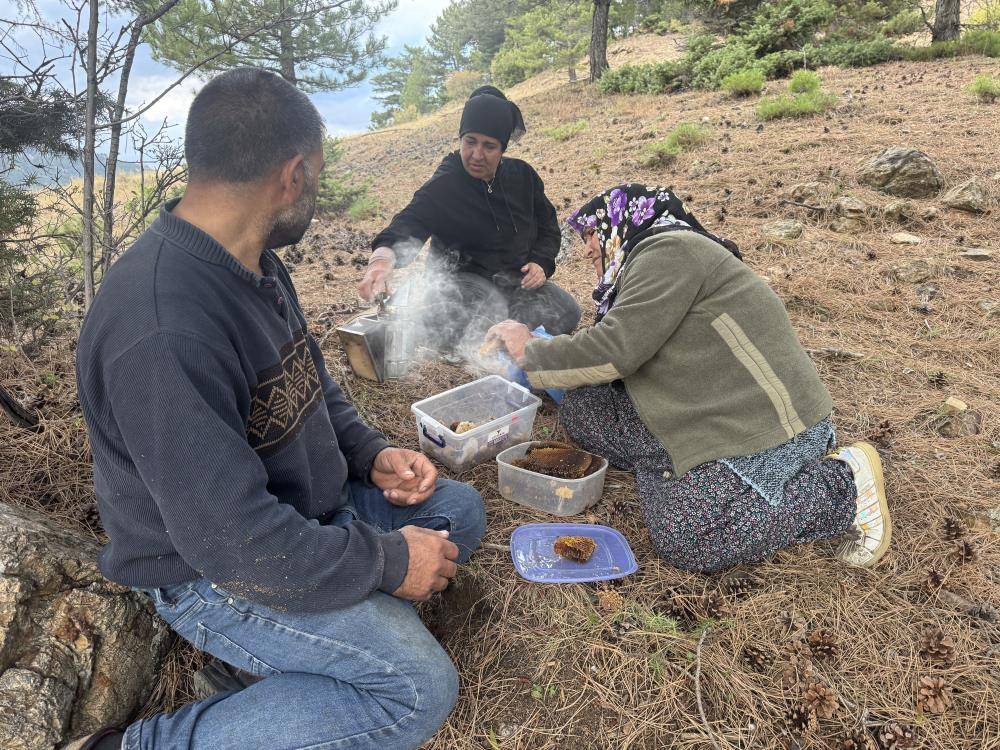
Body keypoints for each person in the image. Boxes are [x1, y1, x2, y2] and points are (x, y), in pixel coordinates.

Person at [68, 69, 486, 750]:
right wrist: (383, 563)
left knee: (458, 514)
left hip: (305, 514)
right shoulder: (162, 328)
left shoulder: (253, 256)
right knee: (419, 689)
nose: (313, 196)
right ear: (292, 175)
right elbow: (233, 542)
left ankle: (278, 664)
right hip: (216, 572)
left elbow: (312, 384)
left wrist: (372, 453)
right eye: (315, 180)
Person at [487, 184, 891, 573]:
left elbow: (617, 349)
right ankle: (673, 466)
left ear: (625, 222)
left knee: (689, 536)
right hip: (703, 401)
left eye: (593, 232)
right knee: (582, 410)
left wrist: (531, 350)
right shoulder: (651, 261)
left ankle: (843, 486)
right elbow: (621, 346)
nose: (589, 247)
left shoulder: (668, 251)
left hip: (766, 422)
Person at [358, 85, 581, 354]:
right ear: (461, 138)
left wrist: (541, 263)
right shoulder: (447, 182)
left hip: (515, 283)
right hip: (463, 284)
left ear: (502, 148)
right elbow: (411, 220)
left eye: (489, 146)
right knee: (474, 309)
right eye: (470, 141)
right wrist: (381, 262)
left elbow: (548, 228)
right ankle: (500, 338)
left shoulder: (523, 177)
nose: (477, 154)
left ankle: (501, 336)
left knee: (568, 310)